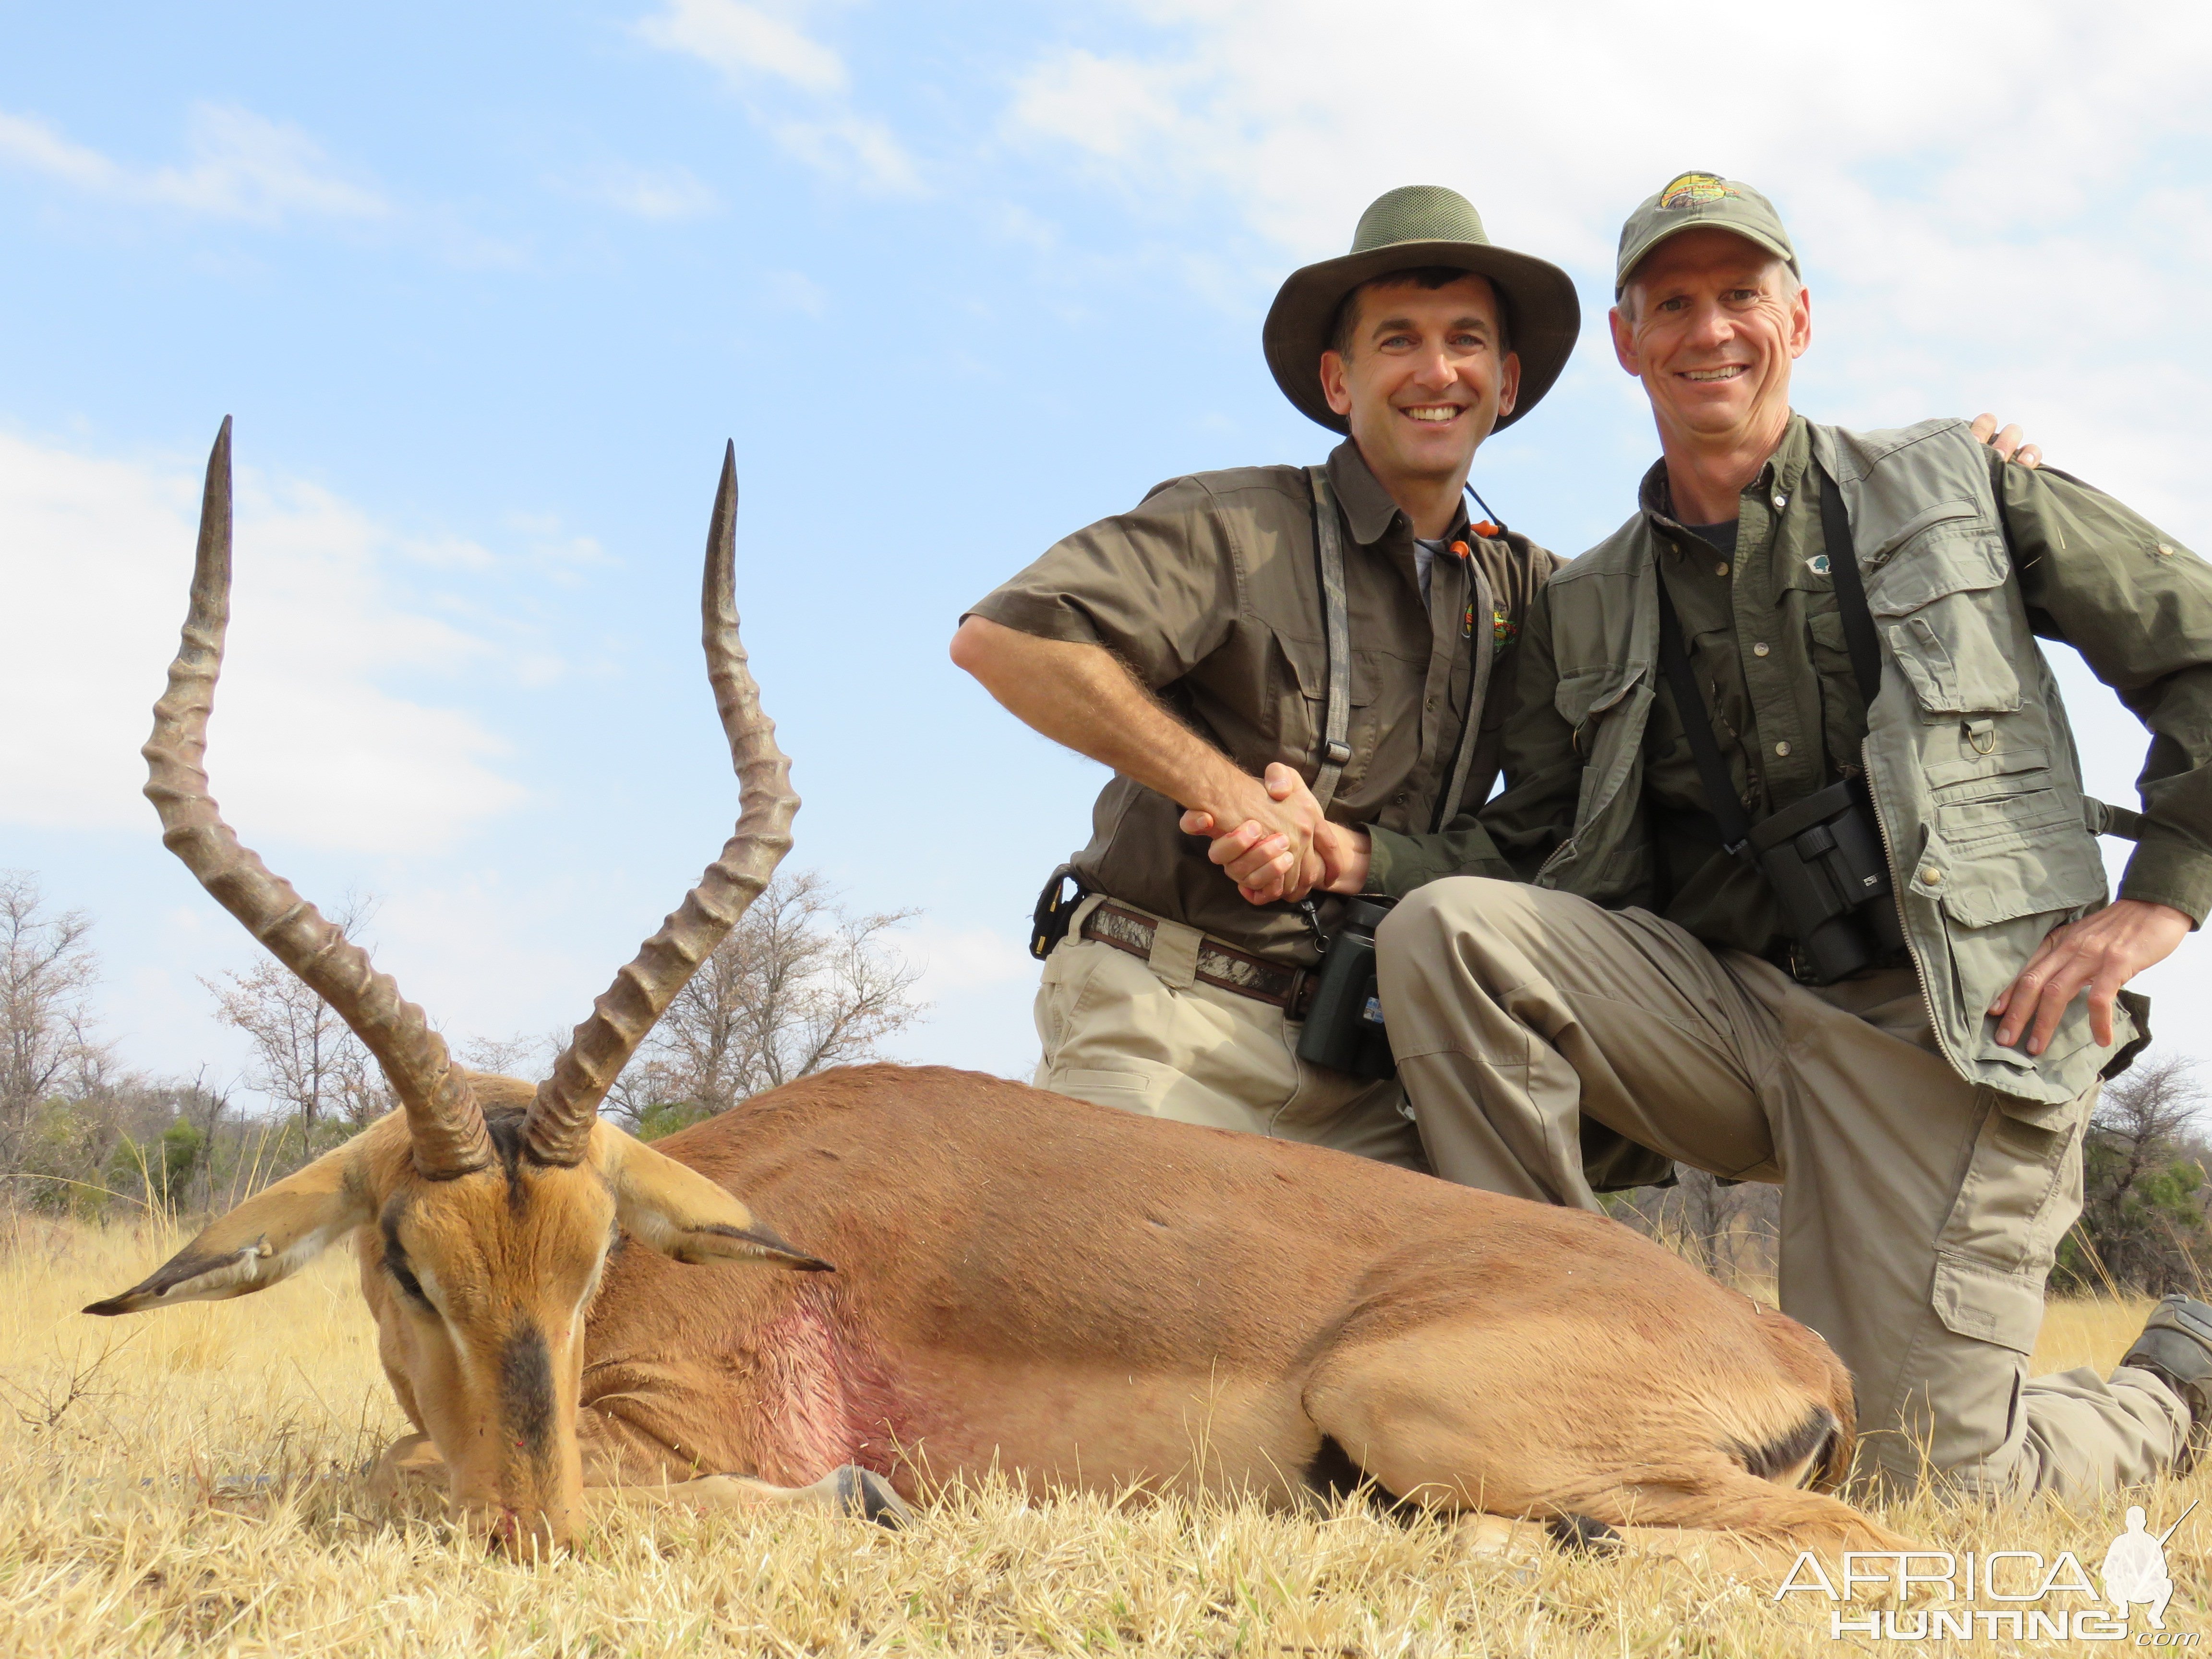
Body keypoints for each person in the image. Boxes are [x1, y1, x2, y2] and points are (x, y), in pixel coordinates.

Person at [1201, 171, 2212, 1499]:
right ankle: (1560, 1373)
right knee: (1453, 934)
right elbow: (1536, 858)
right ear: (1627, 342)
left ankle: (2168, 1394)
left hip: (1951, 1035)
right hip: (1731, 1021)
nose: (1708, 330)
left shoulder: (1958, 482)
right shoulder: (1590, 596)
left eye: (1741, 295)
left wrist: (2166, 896)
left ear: (1801, 319)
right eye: (1671, 302)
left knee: (1915, 1484)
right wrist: (1355, 858)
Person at [950, 186, 1578, 1166]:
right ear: (1339, 380)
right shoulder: (1233, 522)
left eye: (1466, 340)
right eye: (1398, 340)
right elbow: (1007, 641)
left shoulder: (1538, 593)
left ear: (1506, 379)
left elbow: (1554, 834)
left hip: (1376, 1063)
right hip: (1167, 1015)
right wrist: (1233, 797)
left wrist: (1349, 858)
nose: (1436, 370)